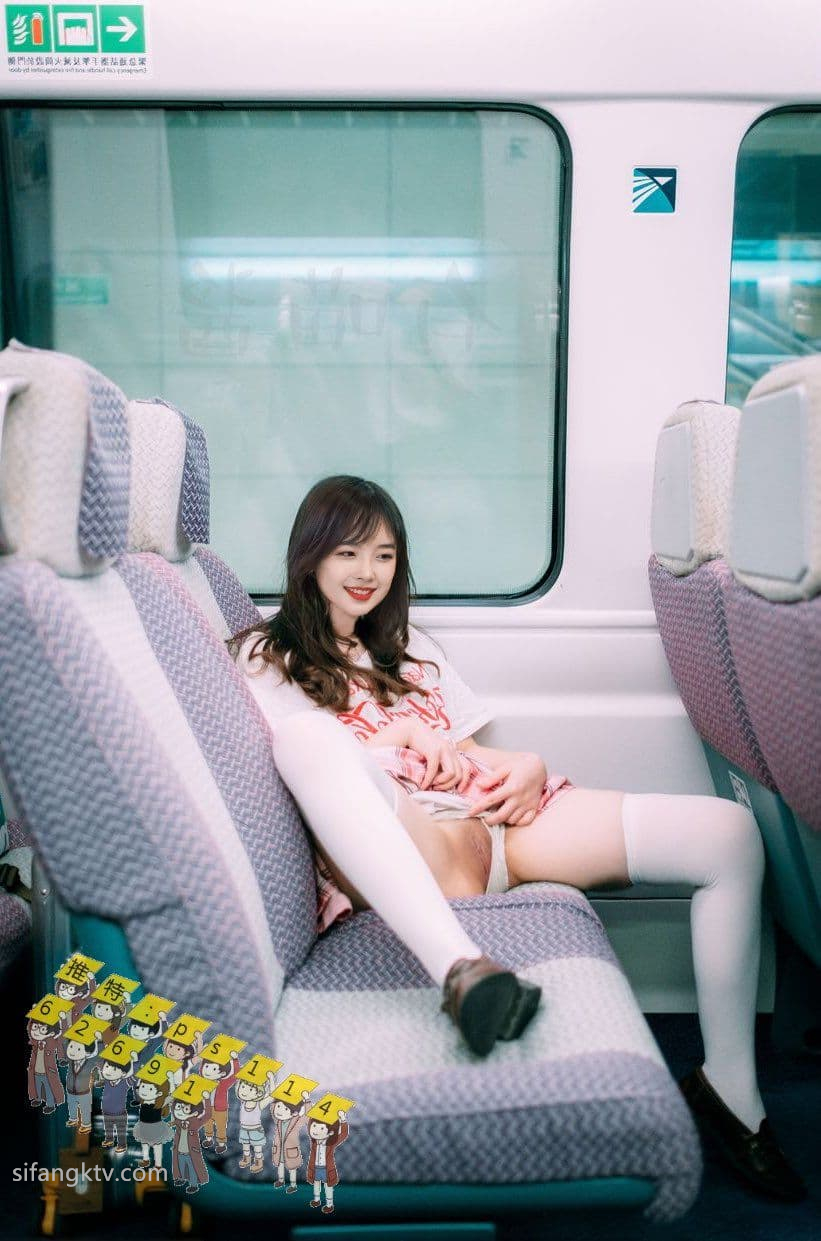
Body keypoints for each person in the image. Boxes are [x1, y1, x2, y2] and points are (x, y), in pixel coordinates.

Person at [228, 475, 806, 1204]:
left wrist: (525, 765)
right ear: (309, 556)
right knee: (314, 740)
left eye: (384, 554)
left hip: (496, 829)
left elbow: (471, 755)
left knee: (725, 833)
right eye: (348, 552)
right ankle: (462, 971)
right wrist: (395, 740)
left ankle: (731, 1090)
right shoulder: (266, 655)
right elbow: (304, 772)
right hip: (413, 849)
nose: (367, 572)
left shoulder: (409, 648)